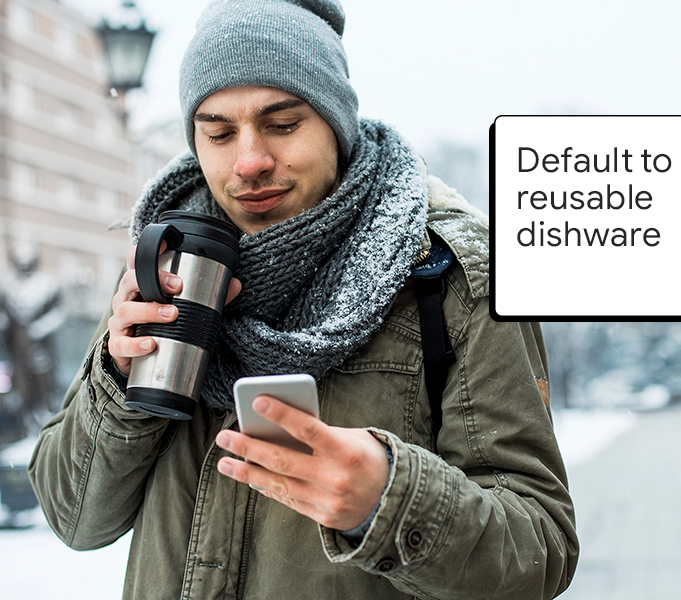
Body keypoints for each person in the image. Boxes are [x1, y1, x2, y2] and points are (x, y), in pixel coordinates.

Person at [28, 1, 578, 598]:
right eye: (217, 132)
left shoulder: (454, 274)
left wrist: (389, 501)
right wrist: (119, 378)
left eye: (283, 124)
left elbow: (540, 551)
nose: (249, 162)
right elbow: (75, 520)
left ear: (335, 122)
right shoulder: (167, 264)